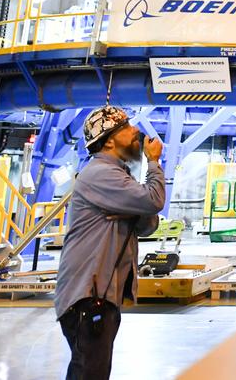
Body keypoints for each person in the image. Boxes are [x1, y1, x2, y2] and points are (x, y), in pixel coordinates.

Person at [54, 106, 165, 380]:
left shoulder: (119, 175)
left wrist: (137, 208)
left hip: (101, 296)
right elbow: (153, 202)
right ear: (110, 139)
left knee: (95, 371)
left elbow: (148, 222)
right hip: (87, 296)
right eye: (127, 127)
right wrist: (153, 164)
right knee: (89, 373)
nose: (136, 131)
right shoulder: (101, 174)